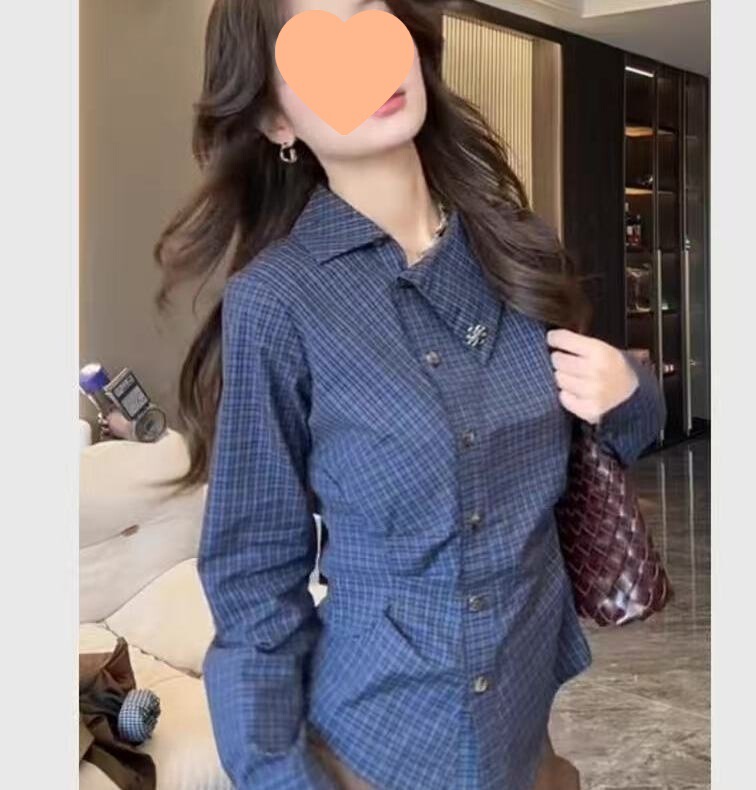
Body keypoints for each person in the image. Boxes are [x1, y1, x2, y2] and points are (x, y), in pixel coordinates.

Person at [154, 1, 667, 788]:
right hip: (377, 744)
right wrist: (280, 778)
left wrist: (631, 393)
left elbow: (606, 439)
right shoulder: (279, 301)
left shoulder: (517, 249)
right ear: (276, 121)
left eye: (371, 22)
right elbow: (254, 574)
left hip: (525, 737)